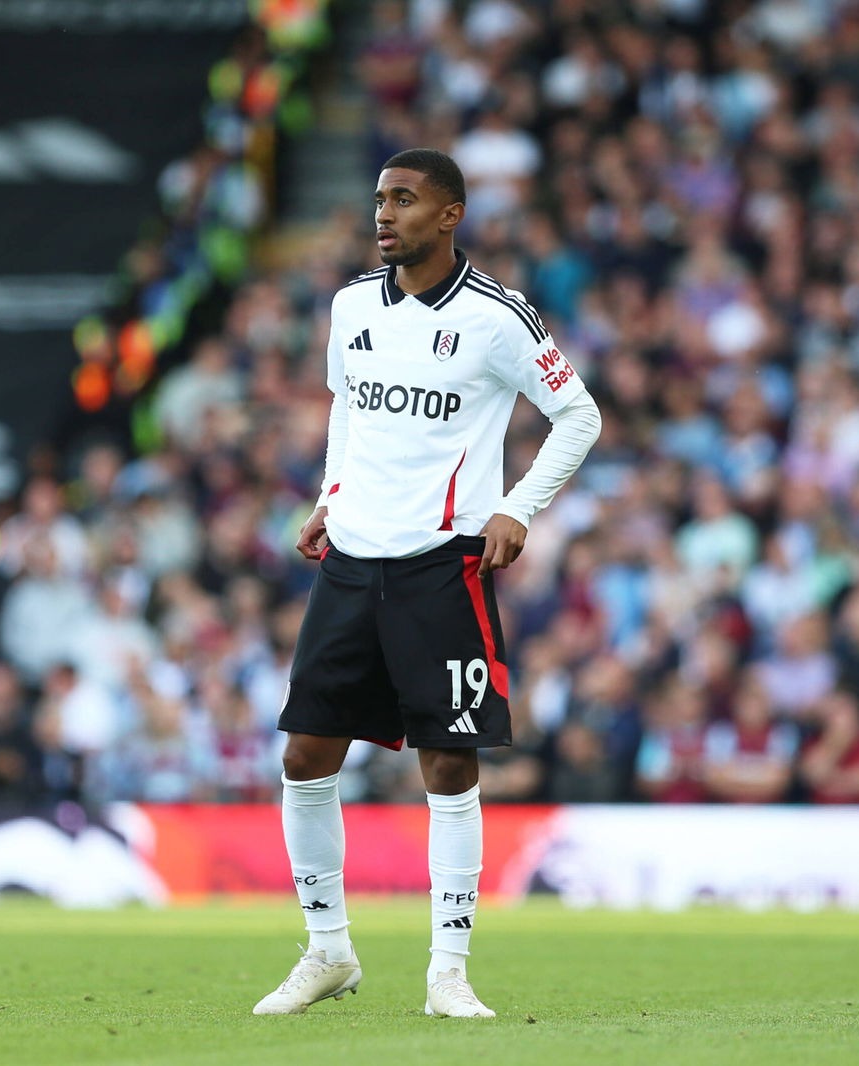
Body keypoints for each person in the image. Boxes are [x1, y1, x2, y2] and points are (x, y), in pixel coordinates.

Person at [253, 149, 600, 1018]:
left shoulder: (497, 316)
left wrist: (517, 508)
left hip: (443, 564)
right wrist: (329, 497)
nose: (385, 213)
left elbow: (578, 413)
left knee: (448, 762)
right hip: (350, 560)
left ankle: (448, 971)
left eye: (404, 199)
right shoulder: (350, 305)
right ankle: (328, 951)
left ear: (450, 215)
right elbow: (348, 408)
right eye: (380, 198)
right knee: (304, 756)